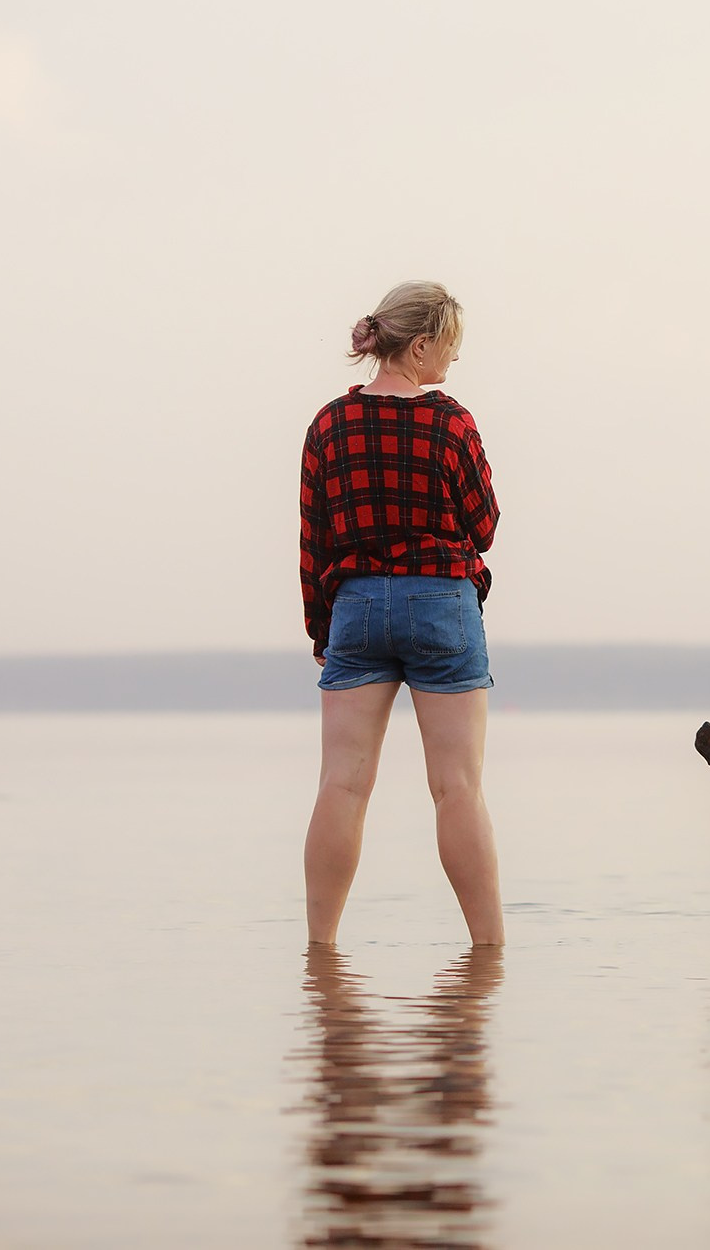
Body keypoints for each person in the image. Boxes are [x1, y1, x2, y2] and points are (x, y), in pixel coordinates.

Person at [298, 280, 504, 946]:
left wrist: (321, 630)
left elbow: (315, 540)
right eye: (447, 347)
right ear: (419, 346)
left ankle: (321, 950)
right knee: (457, 789)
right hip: (442, 602)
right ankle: (490, 951)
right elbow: (484, 524)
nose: (451, 362)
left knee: (343, 786)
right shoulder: (451, 422)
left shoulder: (330, 423)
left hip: (357, 606)